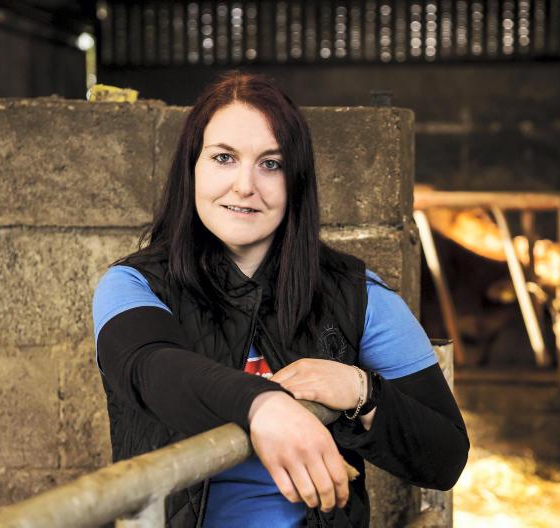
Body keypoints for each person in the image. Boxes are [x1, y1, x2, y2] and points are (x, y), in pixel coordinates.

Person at [92, 73, 469, 528]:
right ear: (192, 166)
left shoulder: (357, 295)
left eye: (271, 164)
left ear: (297, 181)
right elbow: (148, 365)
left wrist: (362, 391)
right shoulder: (134, 285)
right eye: (224, 158)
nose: (244, 185)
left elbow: (446, 458)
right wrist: (264, 405)